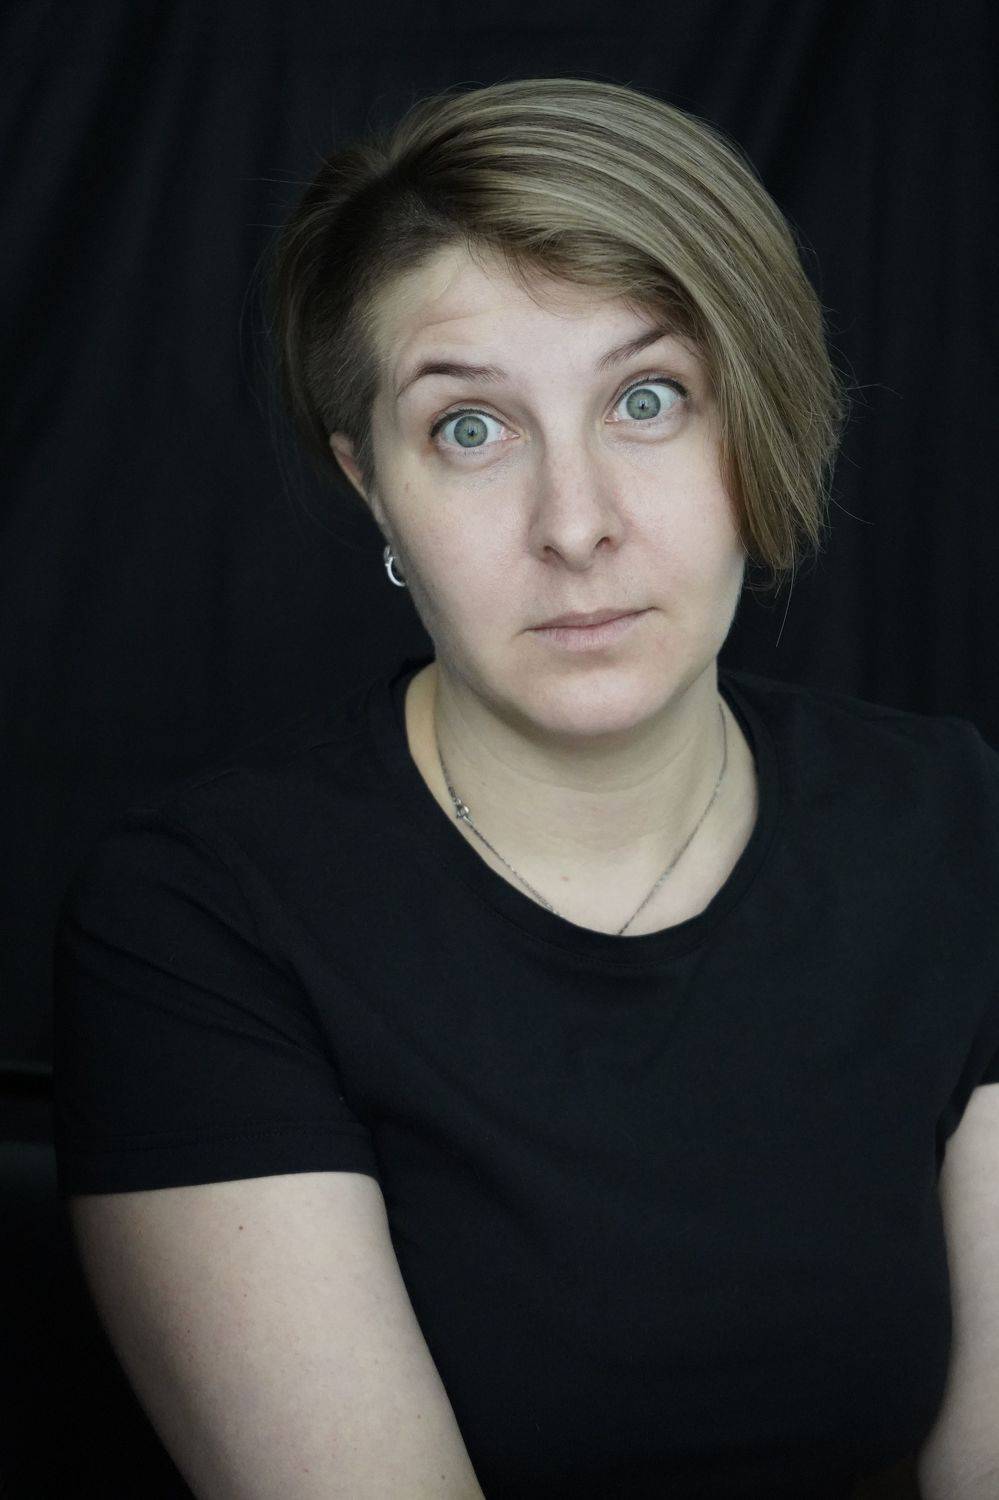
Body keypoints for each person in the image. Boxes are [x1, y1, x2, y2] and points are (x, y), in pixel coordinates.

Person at [51, 77, 999, 1500]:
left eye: (647, 401)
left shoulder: (954, 826)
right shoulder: (198, 924)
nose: (575, 524)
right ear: (371, 483)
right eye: (471, 430)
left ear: (760, 419)